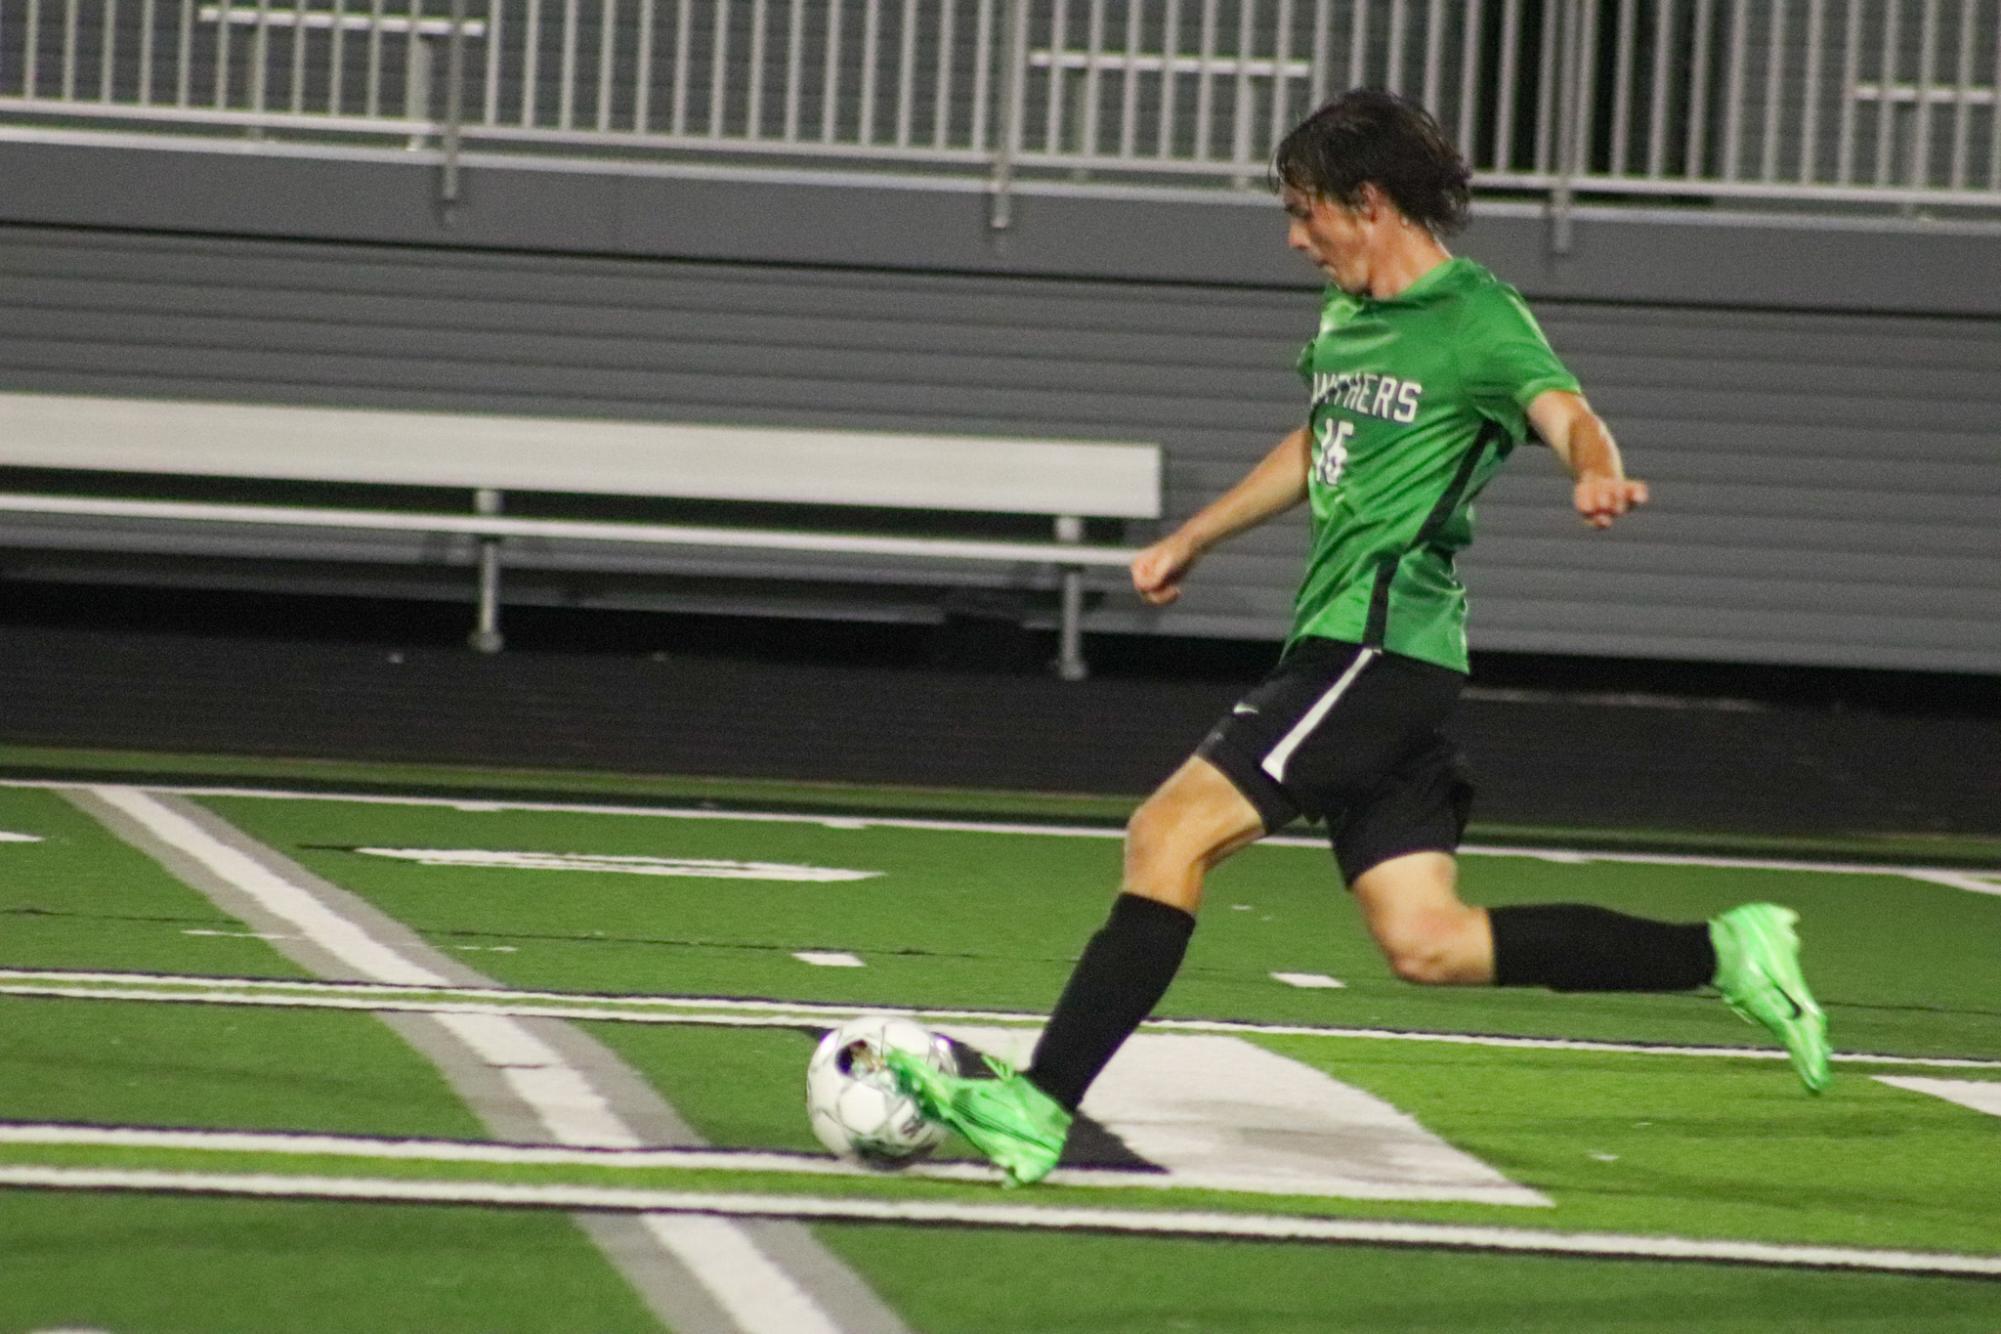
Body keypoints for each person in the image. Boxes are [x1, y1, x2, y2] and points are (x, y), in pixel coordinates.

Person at [889, 89, 1830, 1186]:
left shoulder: (1476, 315)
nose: (1295, 237)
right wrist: (1197, 534)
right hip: (1359, 655)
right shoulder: (1346, 318)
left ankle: (1037, 1106)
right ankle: (1726, 948)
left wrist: (1594, 470)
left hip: (1379, 651)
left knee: (1166, 834)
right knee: (1429, 941)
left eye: (1305, 211)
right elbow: (1318, 439)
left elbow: (1562, 407)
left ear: (1369, 201)